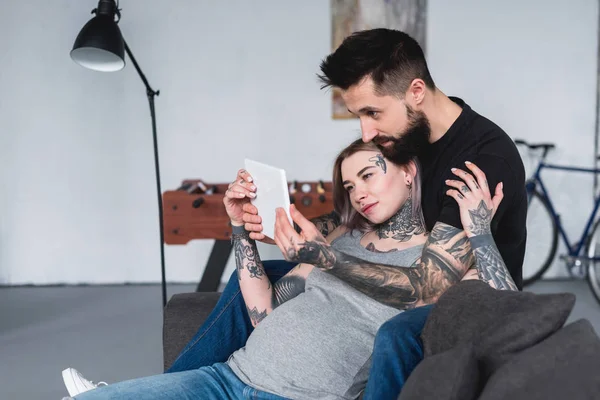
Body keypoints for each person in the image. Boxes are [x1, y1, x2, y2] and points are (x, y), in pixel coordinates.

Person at [65, 28, 526, 399]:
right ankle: (172, 386)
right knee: (256, 273)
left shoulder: (481, 156)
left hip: (453, 294)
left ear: (416, 92)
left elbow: (428, 283)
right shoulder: (402, 137)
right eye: (357, 117)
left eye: (372, 112)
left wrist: (322, 255)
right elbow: (357, 218)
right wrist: (274, 226)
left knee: (393, 332)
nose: (368, 131)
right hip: (389, 267)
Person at [62, 139, 502, 399]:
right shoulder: (344, 237)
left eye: (369, 175)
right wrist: (239, 228)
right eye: (350, 185)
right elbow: (262, 311)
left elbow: (503, 306)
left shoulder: (438, 259)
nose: (359, 192)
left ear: (408, 172)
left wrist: (481, 232)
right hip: (228, 379)